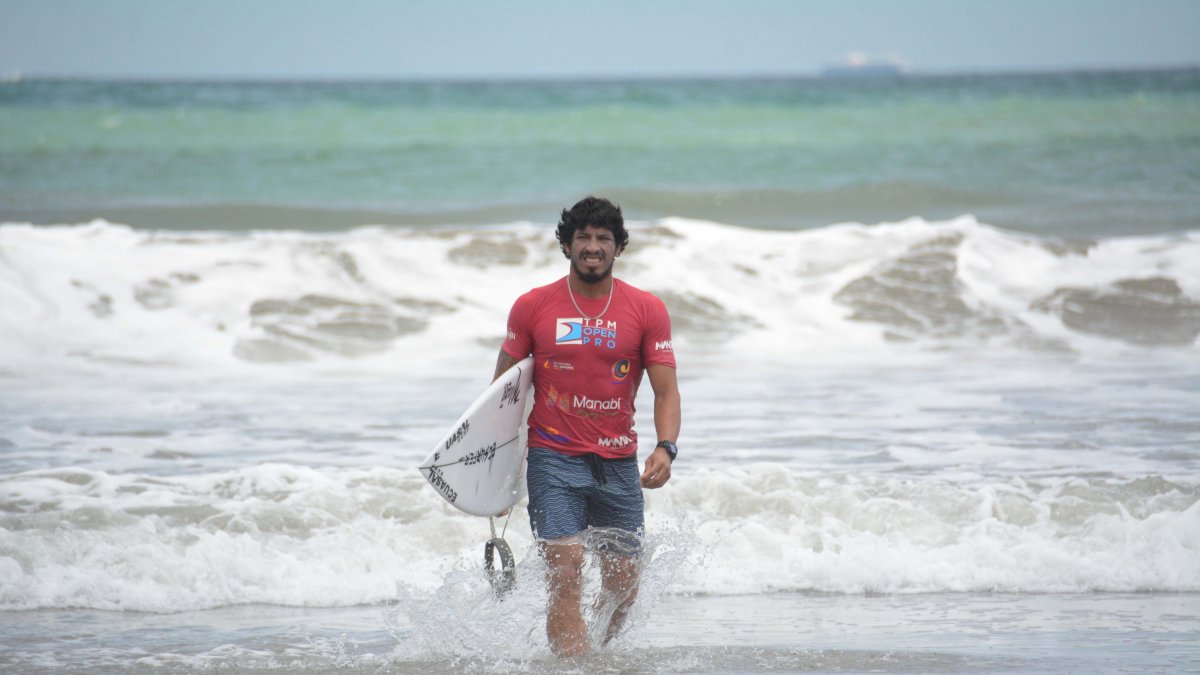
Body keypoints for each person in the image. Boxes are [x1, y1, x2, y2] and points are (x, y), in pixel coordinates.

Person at [493, 196, 681, 656]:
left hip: (617, 464)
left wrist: (666, 447)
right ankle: (573, 666)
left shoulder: (646, 309)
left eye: (603, 238)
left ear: (618, 247)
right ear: (566, 245)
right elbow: (501, 394)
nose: (593, 247)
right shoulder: (533, 306)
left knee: (623, 586)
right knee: (565, 569)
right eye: (583, 237)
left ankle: (591, 652)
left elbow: (666, 391)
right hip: (553, 459)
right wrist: (495, 477)